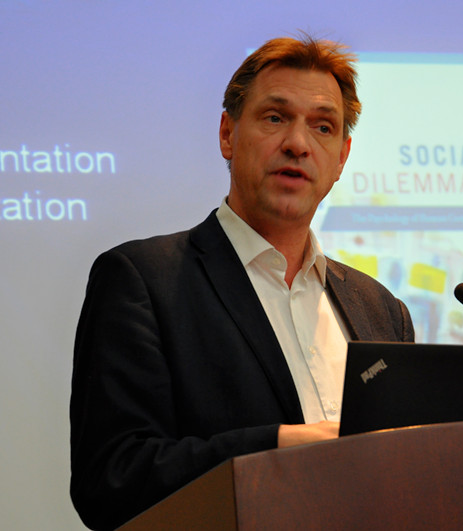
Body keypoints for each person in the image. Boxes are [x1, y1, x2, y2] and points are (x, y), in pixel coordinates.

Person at [70, 35, 415, 530]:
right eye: (275, 118)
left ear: (341, 158)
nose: (298, 144)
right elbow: (112, 479)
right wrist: (277, 447)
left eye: (322, 127)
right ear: (227, 134)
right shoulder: (143, 281)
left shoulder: (380, 309)